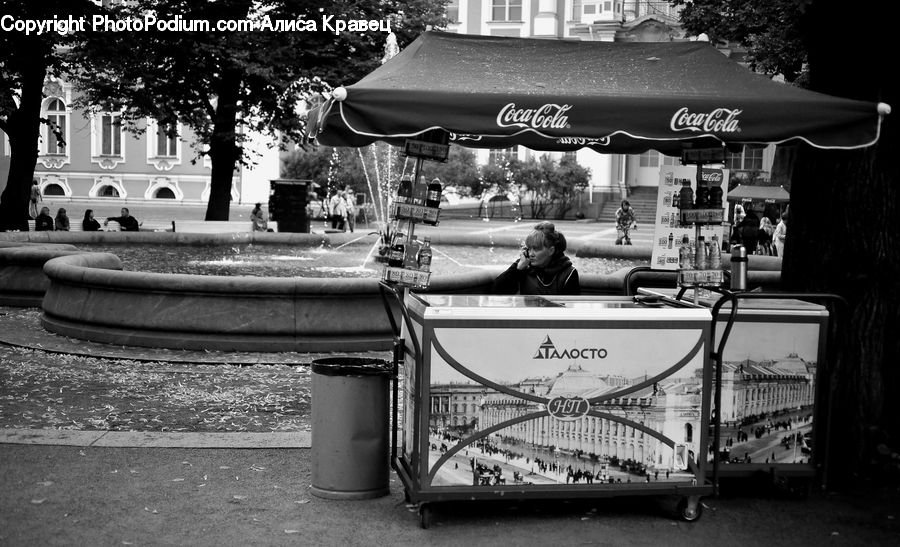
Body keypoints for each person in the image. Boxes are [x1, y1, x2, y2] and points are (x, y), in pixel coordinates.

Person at [492, 221, 580, 295]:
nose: (531, 254)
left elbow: (571, 309)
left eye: (536, 249)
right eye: (529, 248)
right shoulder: (524, 265)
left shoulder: (568, 273)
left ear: (551, 250)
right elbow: (496, 291)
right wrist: (517, 270)